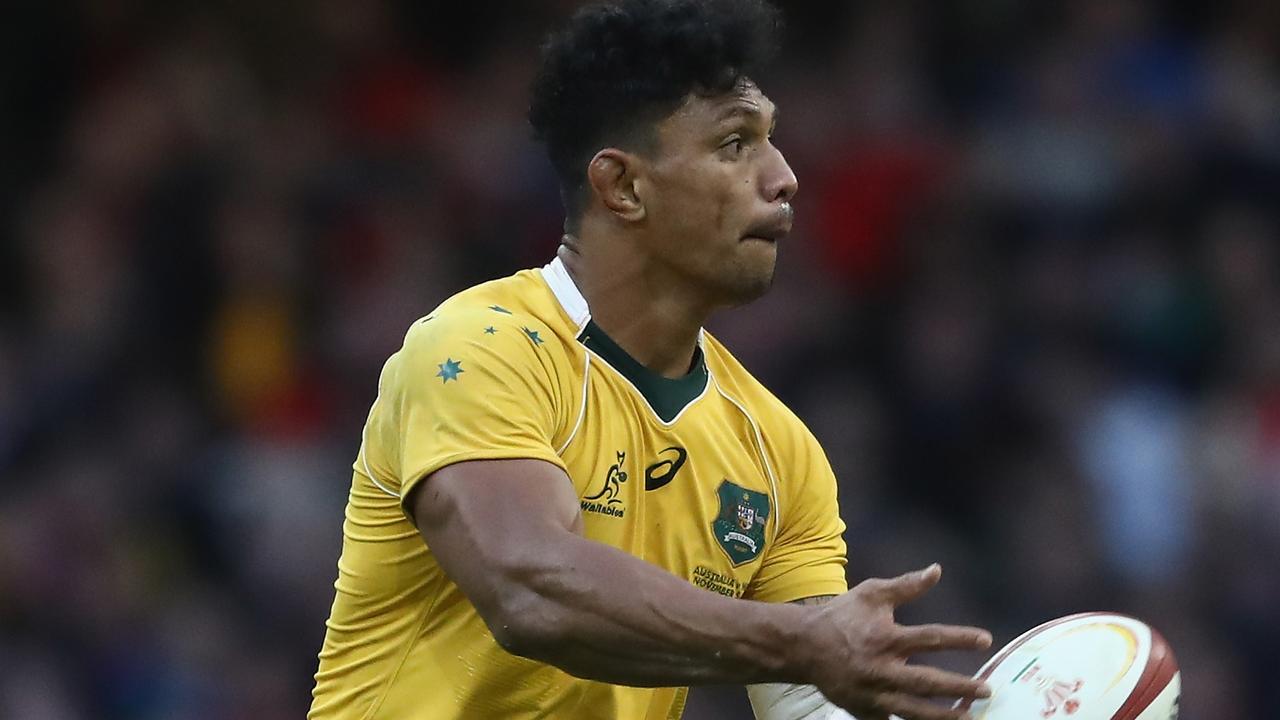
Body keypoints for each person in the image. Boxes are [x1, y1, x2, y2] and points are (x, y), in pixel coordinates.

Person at [309, 1, 993, 718]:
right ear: (623, 187)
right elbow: (530, 590)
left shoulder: (779, 452)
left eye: (772, 142)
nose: (784, 178)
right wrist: (802, 640)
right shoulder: (479, 348)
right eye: (735, 145)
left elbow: (813, 698)